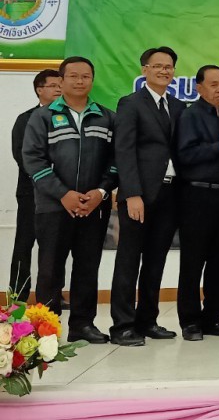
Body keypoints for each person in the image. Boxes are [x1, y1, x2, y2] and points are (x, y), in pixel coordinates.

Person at [22, 56, 115, 344]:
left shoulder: (106, 117)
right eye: (73, 76)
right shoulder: (43, 117)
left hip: (93, 207)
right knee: (50, 269)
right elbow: (33, 159)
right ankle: (45, 330)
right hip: (53, 206)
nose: (79, 81)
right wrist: (63, 194)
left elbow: (116, 162)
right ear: (61, 81)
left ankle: (82, 325)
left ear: (92, 80)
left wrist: (100, 192)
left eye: (85, 76)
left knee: (87, 267)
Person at [110, 46, 185, 346]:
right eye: (158, 66)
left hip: (170, 194)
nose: (164, 71)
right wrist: (132, 193)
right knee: (129, 261)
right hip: (139, 195)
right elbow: (124, 150)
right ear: (145, 70)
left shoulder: (178, 106)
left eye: (169, 67)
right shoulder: (130, 104)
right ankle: (123, 326)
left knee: (156, 261)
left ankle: (147, 320)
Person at [175, 65, 219, 341]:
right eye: (214, 85)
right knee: (193, 261)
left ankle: (213, 317)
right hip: (196, 195)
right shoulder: (189, 115)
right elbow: (184, 156)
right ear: (198, 88)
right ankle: (190, 321)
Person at [9, 69, 61, 302]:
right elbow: (23, 157)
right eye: (53, 85)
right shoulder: (26, 119)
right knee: (24, 244)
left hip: (61, 193)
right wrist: (47, 180)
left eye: (61, 85)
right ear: (39, 89)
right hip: (31, 192)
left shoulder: (68, 117)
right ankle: (17, 297)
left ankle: (51, 297)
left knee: (54, 247)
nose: (59, 89)